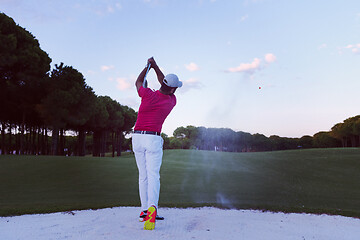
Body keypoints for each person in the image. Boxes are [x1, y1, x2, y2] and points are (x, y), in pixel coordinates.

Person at [132, 57, 182, 230]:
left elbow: (138, 81)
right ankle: (152, 209)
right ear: (173, 88)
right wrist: (155, 66)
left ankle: (144, 211)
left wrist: (148, 67)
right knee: (154, 175)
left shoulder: (147, 94)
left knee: (143, 176)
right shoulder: (170, 101)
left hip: (136, 138)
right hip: (153, 139)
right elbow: (165, 84)